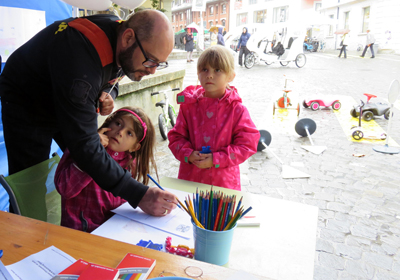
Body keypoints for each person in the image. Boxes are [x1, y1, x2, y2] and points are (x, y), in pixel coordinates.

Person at [0, 10, 177, 217]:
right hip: (27, 97)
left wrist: (108, 91)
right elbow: (85, 145)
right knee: (32, 182)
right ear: (128, 37)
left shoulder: (121, 37)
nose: (153, 70)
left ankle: (84, 214)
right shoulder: (81, 57)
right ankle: (26, 240)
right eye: (150, 61)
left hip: (65, 87)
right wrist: (139, 195)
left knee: (91, 163)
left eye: (160, 64)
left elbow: (114, 73)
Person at [167, 45, 260, 190]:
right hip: (191, 180)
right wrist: (189, 154)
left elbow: (247, 144)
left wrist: (217, 159)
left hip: (223, 184)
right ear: (198, 74)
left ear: (230, 76)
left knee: (220, 213)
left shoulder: (237, 110)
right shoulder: (189, 107)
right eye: (205, 69)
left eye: (217, 70)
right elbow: (176, 137)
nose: (209, 75)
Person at [55, 107, 158, 232]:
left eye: (129, 133)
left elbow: (121, 204)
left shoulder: (130, 164)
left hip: (113, 232)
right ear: (109, 122)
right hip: (80, 234)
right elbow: (65, 188)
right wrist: (91, 152)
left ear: (135, 147)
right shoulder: (82, 147)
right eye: (118, 123)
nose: (120, 132)